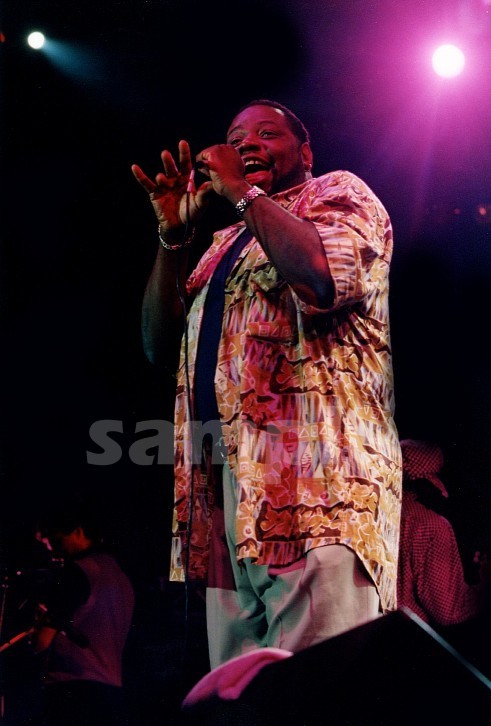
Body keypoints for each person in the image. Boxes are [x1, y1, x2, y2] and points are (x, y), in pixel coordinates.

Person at [131, 99, 402, 670]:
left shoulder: (338, 194)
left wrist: (239, 189)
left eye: (265, 134)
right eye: (235, 138)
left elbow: (322, 278)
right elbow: (159, 346)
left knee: (321, 685)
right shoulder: (223, 246)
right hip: (226, 491)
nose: (246, 144)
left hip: (318, 484)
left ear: (305, 151)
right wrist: (173, 236)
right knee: (243, 694)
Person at [33, 502, 135, 726]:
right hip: (112, 692)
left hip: (73, 691)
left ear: (78, 532)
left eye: (56, 540)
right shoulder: (121, 576)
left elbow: (42, 641)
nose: (53, 550)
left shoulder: (78, 571)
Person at [397, 438, 488, 628]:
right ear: (433, 480)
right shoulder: (432, 526)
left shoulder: (388, 510)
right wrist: (484, 588)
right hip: (413, 634)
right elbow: (450, 612)